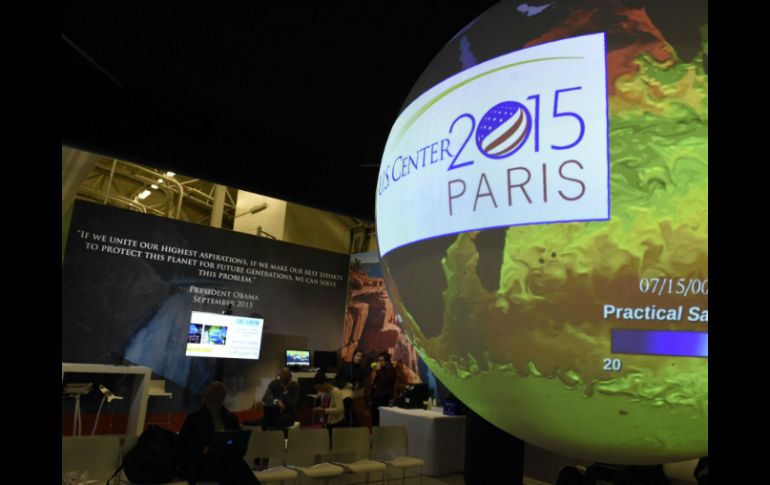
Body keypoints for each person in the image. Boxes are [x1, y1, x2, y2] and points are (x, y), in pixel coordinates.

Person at [178, 381, 260, 485]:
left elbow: (240, 447)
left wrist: (234, 447)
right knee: (236, 467)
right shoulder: (195, 419)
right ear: (206, 400)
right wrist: (203, 450)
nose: (215, 405)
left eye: (218, 401)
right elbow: (183, 447)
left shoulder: (230, 418)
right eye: (212, 401)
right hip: (202, 463)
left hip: (225, 461)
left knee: (233, 465)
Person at [257, 367, 299, 434]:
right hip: (274, 412)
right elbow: (266, 397)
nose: (281, 380)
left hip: (288, 414)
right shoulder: (274, 383)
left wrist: (285, 392)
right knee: (263, 422)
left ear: (289, 377)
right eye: (280, 377)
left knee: (277, 422)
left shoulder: (295, 386)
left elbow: (293, 404)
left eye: (284, 377)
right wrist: (276, 401)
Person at [334, 349, 365, 425]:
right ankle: (338, 419)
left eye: (361, 356)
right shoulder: (346, 365)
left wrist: (358, 384)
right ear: (354, 356)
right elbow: (338, 377)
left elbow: (361, 382)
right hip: (341, 387)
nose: (359, 358)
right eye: (358, 356)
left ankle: (345, 420)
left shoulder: (361, 369)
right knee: (335, 400)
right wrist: (335, 387)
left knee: (347, 401)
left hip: (350, 389)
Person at [312, 371, 346, 439]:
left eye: (319, 388)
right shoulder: (324, 393)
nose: (319, 390)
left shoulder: (336, 392)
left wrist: (324, 410)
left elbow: (340, 409)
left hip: (336, 424)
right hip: (327, 423)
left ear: (324, 384)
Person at [370, 351, 396, 426]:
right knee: (375, 418)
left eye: (381, 360)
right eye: (378, 360)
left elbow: (385, 381)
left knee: (379, 419)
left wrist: (379, 370)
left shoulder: (390, 370)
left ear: (387, 361)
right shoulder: (383, 369)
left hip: (384, 397)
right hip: (377, 396)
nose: (379, 362)